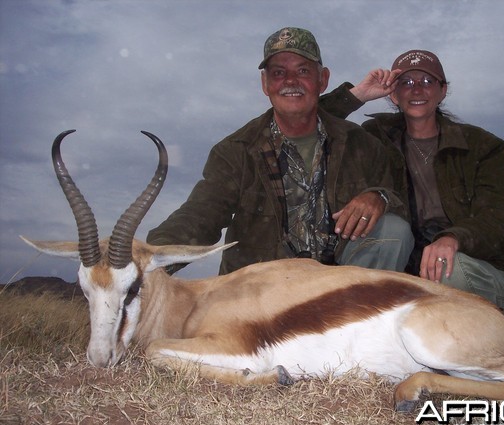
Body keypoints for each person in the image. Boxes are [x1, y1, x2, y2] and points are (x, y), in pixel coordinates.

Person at [147, 27, 413, 275]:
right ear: (265, 84)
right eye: (278, 73)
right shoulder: (235, 151)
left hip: (336, 291)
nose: (290, 81)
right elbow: (200, 214)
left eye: (303, 71)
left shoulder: (361, 144)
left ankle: (357, 323)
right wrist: (150, 256)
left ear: (323, 80)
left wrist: (379, 197)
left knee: (393, 230)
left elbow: (397, 197)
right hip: (262, 292)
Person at [320, 50, 504, 316]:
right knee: (390, 229)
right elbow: (302, 122)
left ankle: (464, 344)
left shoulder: (486, 147)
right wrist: (356, 95)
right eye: (406, 82)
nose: (417, 89)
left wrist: (453, 238)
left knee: (448, 267)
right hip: (404, 276)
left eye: (427, 81)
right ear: (393, 93)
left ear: (443, 90)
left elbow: (503, 218)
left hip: (471, 270)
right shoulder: (373, 140)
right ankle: (360, 332)